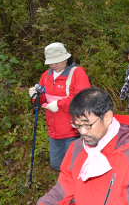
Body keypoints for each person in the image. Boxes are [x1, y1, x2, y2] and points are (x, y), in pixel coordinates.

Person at [37, 88, 129, 205]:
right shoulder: (77, 148)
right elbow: (63, 190)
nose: (82, 131)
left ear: (107, 117)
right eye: (78, 125)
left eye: (88, 124)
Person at [29, 42, 90, 171]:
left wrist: (59, 104)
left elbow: (83, 97)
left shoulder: (77, 73)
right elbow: (43, 98)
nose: (53, 65)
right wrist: (36, 96)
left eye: (56, 62)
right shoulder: (46, 76)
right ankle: (64, 186)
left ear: (65, 58)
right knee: (57, 165)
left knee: (75, 167)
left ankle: (76, 189)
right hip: (54, 130)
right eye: (51, 62)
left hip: (73, 129)